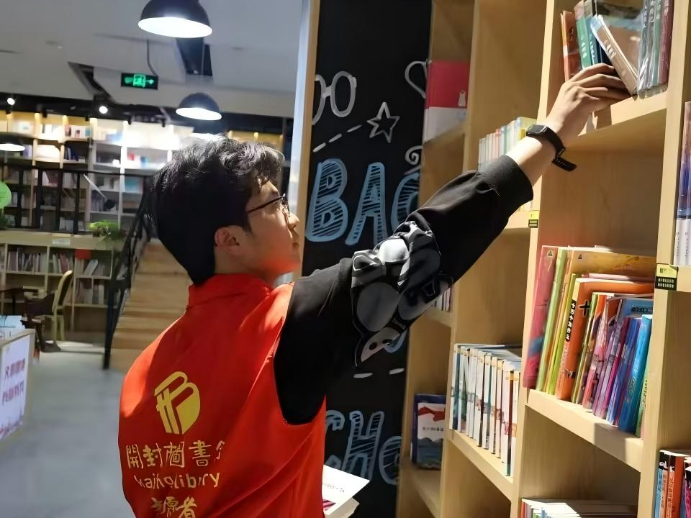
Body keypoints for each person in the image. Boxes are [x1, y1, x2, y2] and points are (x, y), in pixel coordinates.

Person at [118, 64, 629, 518]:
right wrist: (550, 135)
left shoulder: (142, 373)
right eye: (273, 205)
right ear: (229, 240)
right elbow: (427, 244)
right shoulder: (286, 325)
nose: (292, 218)